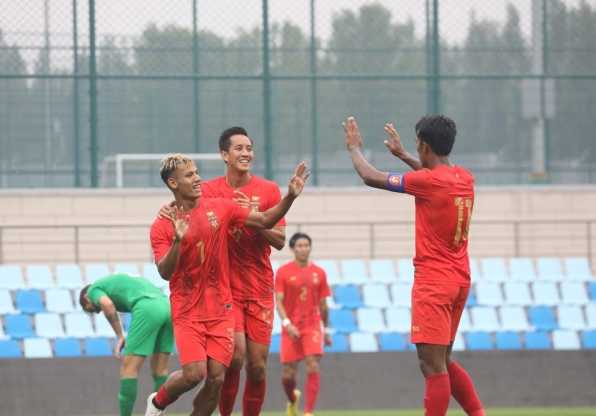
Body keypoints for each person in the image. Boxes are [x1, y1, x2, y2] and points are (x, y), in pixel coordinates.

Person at [342, 115, 485, 416]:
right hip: (459, 280)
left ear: (425, 146)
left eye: (418, 146)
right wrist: (406, 156)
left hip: (433, 283)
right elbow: (432, 177)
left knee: (430, 366)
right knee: (444, 361)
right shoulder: (464, 177)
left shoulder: (428, 182)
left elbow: (370, 177)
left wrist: (354, 149)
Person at [146, 154, 309, 416]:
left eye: (197, 173)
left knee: (217, 380)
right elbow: (166, 273)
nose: (197, 178)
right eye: (189, 175)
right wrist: (178, 240)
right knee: (193, 374)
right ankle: (157, 403)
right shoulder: (162, 225)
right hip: (187, 311)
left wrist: (290, 197)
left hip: (221, 310)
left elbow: (266, 221)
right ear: (173, 183)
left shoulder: (221, 208)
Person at [79, 272, 173, 416]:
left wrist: (119, 336)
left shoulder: (93, 290)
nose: (97, 312)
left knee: (128, 371)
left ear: (86, 297)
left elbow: (107, 304)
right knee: (160, 371)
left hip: (147, 307)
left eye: (91, 309)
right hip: (167, 307)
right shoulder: (112, 282)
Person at [275, 233, 332, 416]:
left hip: (312, 326)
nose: (303, 248)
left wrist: (327, 329)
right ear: (292, 249)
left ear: (310, 248)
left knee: (313, 363)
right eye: (299, 246)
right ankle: (293, 399)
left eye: (306, 245)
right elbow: (279, 302)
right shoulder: (283, 272)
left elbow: (323, 305)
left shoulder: (320, 273)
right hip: (290, 328)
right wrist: (287, 323)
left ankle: (308, 412)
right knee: (288, 375)